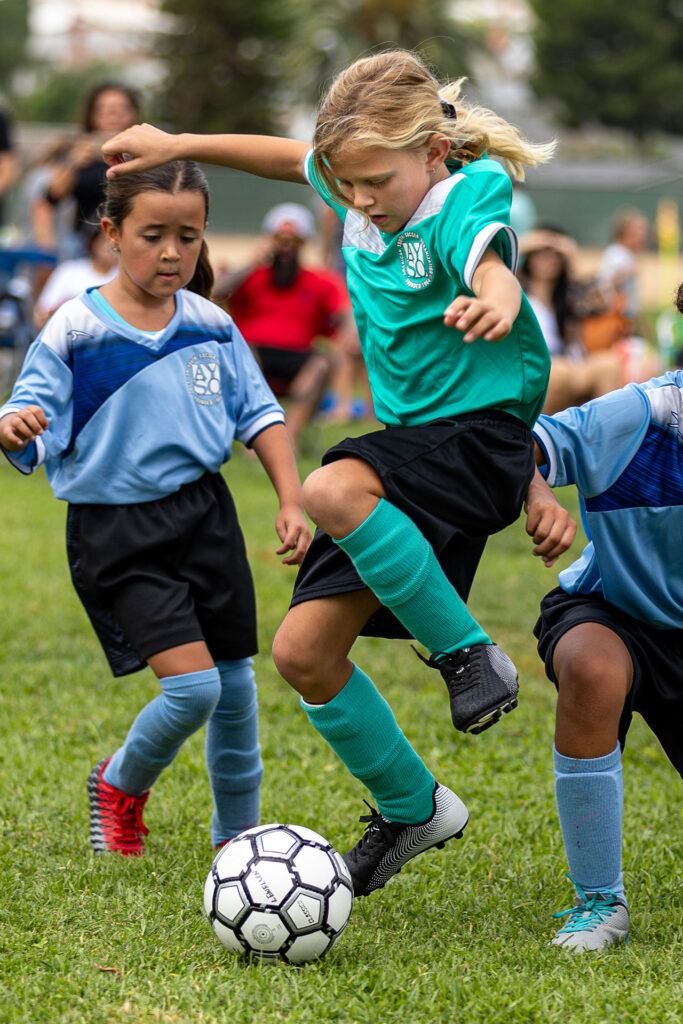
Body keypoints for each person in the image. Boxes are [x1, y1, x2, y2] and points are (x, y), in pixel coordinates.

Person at [101, 49, 555, 895]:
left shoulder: (464, 195)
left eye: (374, 181)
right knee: (303, 653)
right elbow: (281, 155)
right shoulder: (360, 187)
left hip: (479, 436)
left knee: (329, 486)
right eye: (343, 183)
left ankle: (470, 657)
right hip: (414, 449)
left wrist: (497, 293)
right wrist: (175, 140)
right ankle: (412, 805)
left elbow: (487, 256)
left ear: (430, 150)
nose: (357, 199)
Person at [0, 161, 310, 855]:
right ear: (111, 232)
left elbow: (259, 414)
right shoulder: (75, 328)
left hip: (207, 515)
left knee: (234, 686)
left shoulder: (211, 325)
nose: (171, 252)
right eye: (152, 234)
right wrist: (13, 422)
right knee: (194, 688)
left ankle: (238, 843)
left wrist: (290, 499)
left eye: (188, 236)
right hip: (119, 531)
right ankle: (118, 781)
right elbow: (30, 408)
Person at [526, 303, 683, 949]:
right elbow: (518, 444)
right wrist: (539, 498)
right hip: (612, 608)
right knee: (591, 668)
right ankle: (598, 902)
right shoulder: (638, 416)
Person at [214, 202, 351, 452]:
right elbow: (216, 293)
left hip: (298, 359)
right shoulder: (251, 275)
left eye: (294, 240)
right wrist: (251, 262)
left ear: (304, 243)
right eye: (280, 239)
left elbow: (345, 315)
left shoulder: (320, 281)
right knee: (244, 354)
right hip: (254, 354)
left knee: (321, 363)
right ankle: (254, 442)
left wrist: (345, 339)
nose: (286, 247)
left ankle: (286, 442)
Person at [518, 227, 623, 413]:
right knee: (560, 372)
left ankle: (605, 438)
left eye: (555, 254)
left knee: (608, 364)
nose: (548, 259)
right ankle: (533, 438)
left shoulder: (570, 296)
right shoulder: (516, 292)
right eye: (540, 253)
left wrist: (573, 255)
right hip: (533, 368)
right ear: (529, 258)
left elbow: (603, 302)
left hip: (570, 364)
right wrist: (525, 244)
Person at [45, 83, 141, 254]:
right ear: (92, 115)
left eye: (120, 109)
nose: (113, 116)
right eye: (104, 109)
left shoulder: (144, 151)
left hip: (133, 239)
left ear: (133, 113)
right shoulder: (79, 149)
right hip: (83, 243)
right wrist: (74, 162)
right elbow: (52, 196)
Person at [34, 225, 118, 328]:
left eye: (116, 242)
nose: (111, 248)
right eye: (106, 242)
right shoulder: (68, 271)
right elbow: (42, 313)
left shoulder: (126, 279)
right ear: (93, 243)